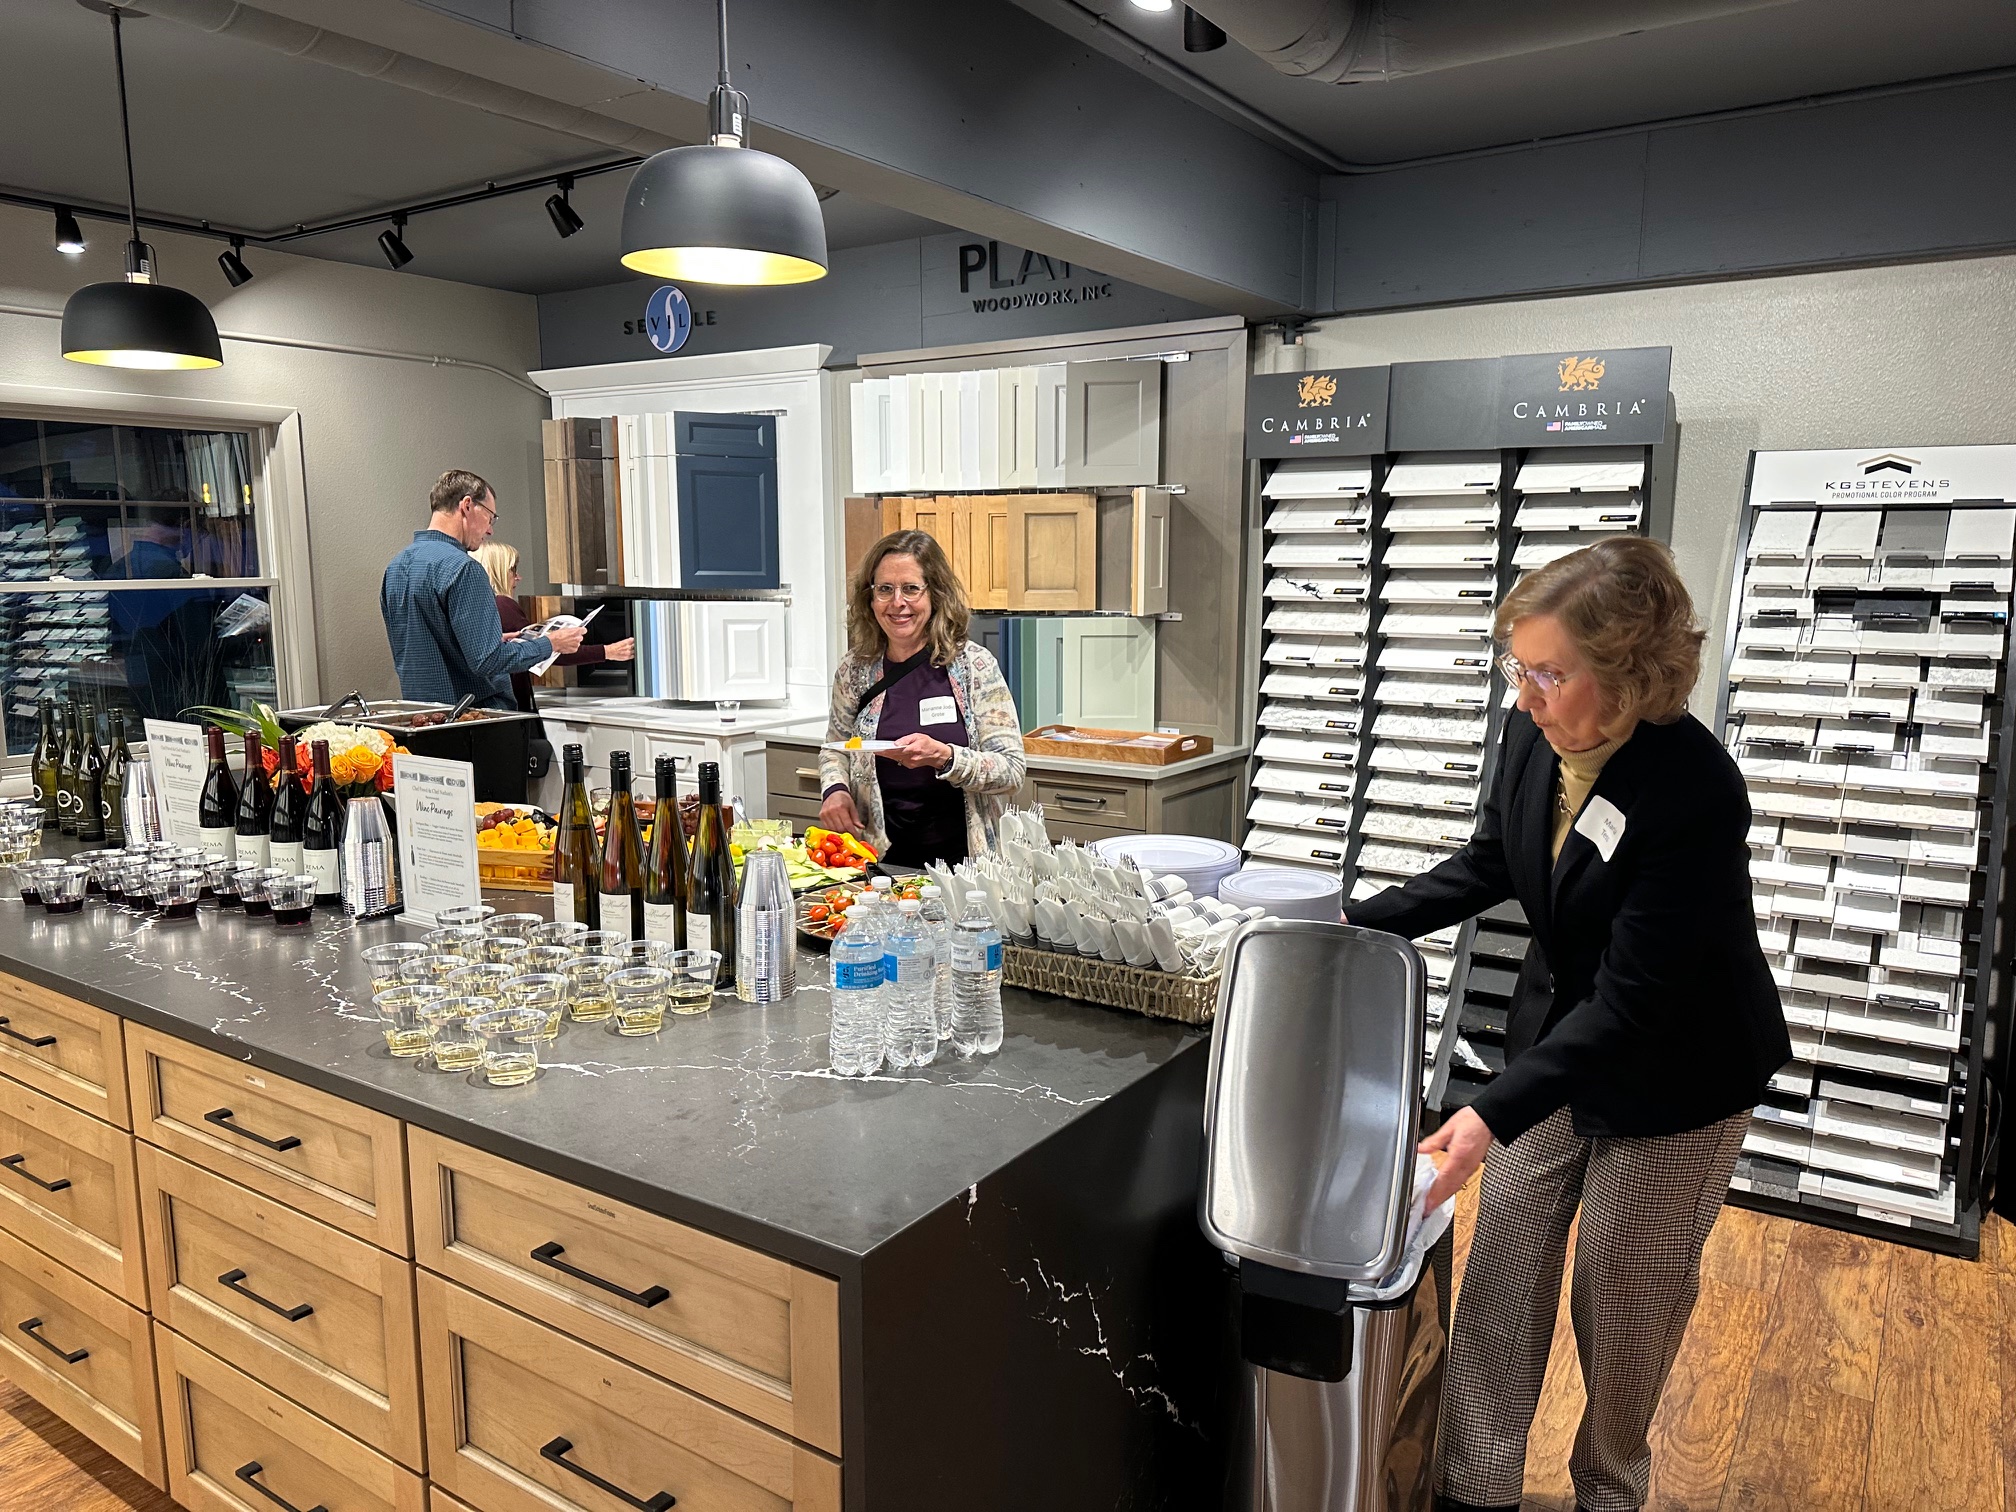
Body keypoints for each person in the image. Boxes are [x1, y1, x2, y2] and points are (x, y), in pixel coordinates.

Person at [1345, 537, 1791, 1512]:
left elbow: (1633, 1002)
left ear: (1630, 677)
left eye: (1550, 674)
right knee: (1502, 1269)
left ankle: (1610, 1489)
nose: (1526, 695)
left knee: (1623, 1300)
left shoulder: (1695, 790)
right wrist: (1354, 928)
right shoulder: (1530, 734)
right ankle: (1476, 1489)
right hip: (1559, 1042)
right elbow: (1491, 863)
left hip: (1680, 1070)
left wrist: (1483, 1115)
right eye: (1519, 667)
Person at [819, 530, 1025, 865]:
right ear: (870, 597)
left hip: (967, 865)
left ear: (935, 594)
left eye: (911, 588)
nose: (897, 602)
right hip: (880, 861)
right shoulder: (854, 669)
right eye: (885, 589)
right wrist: (835, 790)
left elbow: (1012, 771)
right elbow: (835, 748)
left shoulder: (974, 666)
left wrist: (945, 757)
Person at [379, 470, 584, 710]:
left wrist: (491, 639)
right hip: (473, 718)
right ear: (467, 505)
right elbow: (488, 661)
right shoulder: (464, 568)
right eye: (490, 517)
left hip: (420, 716)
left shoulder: (395, 568)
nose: (490, 530)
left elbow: (425, 647)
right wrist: (551, 644)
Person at [472, 541, 635, 713]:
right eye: (512, 570)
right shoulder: (503, 605)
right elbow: (548, 653)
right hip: (509, 707)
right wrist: (608, 651)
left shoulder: (479, 607)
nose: (518, 578)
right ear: (497, 571)